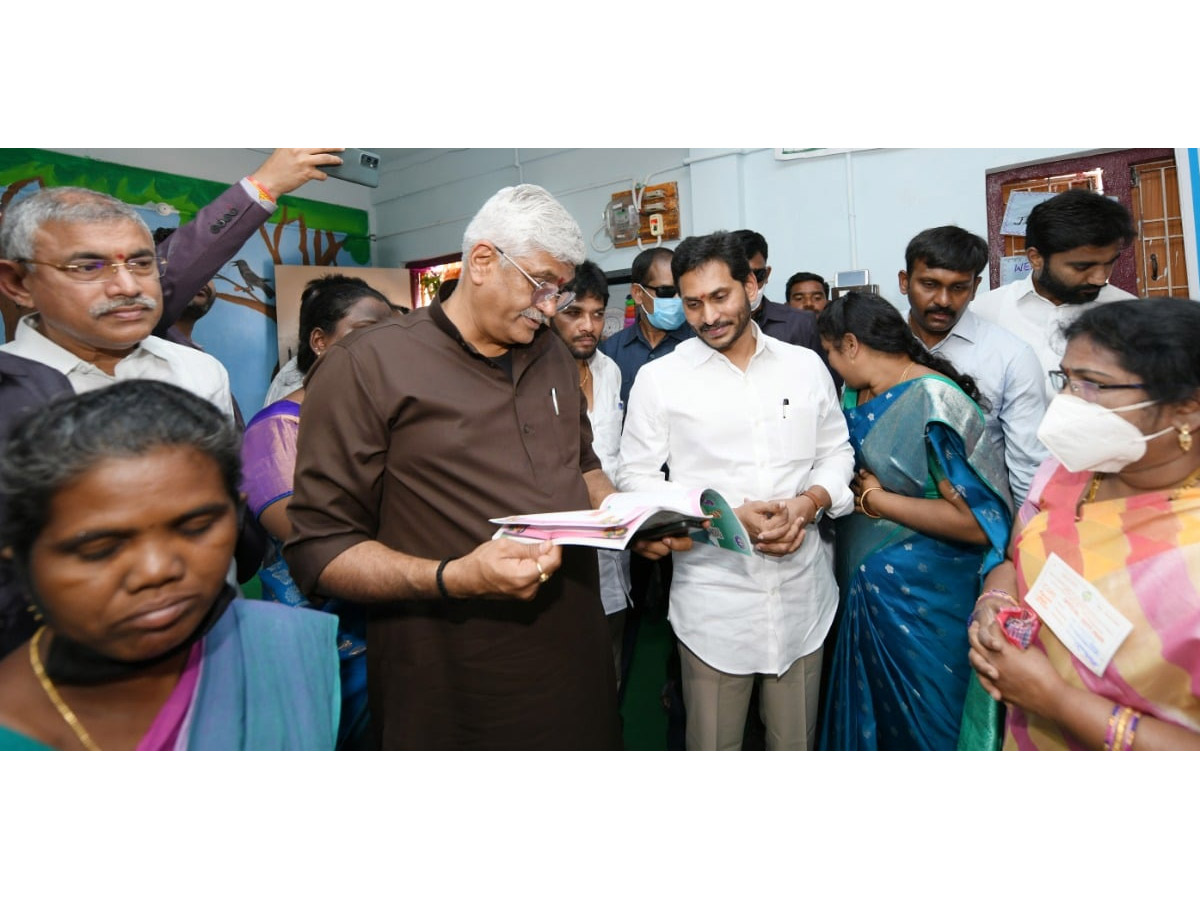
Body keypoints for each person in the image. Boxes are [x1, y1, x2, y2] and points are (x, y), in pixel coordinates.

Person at [284, 184, 639, 750]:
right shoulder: (366, 366)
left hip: (575, 657)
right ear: (481, 261)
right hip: (450, 679)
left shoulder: (549, 352)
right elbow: (321, 551)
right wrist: (455, 577)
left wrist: (627, 516)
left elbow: (583, 464)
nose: (552, 309)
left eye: (560, 292)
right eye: (542, 285)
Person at [0, 380, 340, 750]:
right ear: (19, 556)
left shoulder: (288, 646)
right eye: (99, 549)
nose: (156, 569)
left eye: (196, 528)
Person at [616, 231, 855, 751]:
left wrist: (808, 503)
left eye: (719, 297)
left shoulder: (804, 364)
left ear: (750, 285)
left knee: (796, 745)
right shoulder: (661, 381)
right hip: (714, 607)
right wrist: (719, 518)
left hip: (802, 600)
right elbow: (635, 478)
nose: (707, 317)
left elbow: (837, 453)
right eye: (693, 303)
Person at [968, 298, 1200, 751]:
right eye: (1066, 380)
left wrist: (1056, 700)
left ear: (1185, 408)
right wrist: (993, 600)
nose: (1067, 403)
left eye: (1092, 385)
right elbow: (1014, 559)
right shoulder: (1067, 469)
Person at [815, 291, 1012, 750]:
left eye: (829, 350)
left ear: (850, 343)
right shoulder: (854, 392)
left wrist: (879, 502)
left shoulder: (936, 402)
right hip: (866, 594)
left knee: (928, 724)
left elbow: (977, 522)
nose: (829, 361)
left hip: (925, 602)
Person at [241, 275, 396, 749]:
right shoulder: (276, 432)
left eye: (389, 335)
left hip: (391, 623)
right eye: (365, 331)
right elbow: (308, 535)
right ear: (319, 340)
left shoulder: (387, 420)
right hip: (316, 637)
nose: (381, 346)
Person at [899, 225, 1048, 505]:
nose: (943, 301)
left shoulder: (1010, 356)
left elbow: (1028, 464)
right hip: (881, 522)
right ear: (905, 281)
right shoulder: (874, 341)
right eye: (929, 284)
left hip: (978, 524)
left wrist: (1023, 539)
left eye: (958, 288)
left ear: (975, 287)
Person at [971, 189, 1137, 399]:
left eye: (1109, 263)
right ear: (1036, 258)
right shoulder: (985, 312)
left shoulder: (1130, 315)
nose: (1099, 278)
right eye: (1082, 267)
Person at [548, 260, 630, 682]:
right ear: (550, 310)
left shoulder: (610, 371)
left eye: (598, 315)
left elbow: (613, 458)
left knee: (611, 664)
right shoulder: (529, 377)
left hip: (614, 547)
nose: (588, 326)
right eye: (574, 313)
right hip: (558, 554)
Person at [730, 229, 834, 381]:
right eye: (739, 276)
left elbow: (826, 384)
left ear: (766, 274)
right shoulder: (710, 323)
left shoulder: (801, 323)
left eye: (756, 276)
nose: (749, 285)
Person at [599, 246, 690, 409]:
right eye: (666, 291)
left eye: (681, 291)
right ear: (638, 293)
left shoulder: (698, 345)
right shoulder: (611, 351)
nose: (677, 300)